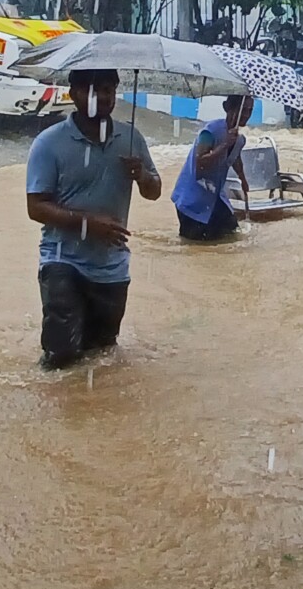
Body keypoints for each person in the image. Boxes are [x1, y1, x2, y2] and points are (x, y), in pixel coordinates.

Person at [25, 69, 162, 370]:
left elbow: (154, 192)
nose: (101, 98)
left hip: (111, 268)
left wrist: (141, 175)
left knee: (102, 357)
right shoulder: (49, 143)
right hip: (62, 262)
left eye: (108, 90)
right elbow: (35, 207)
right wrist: (88, 224)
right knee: (61, 358)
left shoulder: (131, 138)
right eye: (92, 90)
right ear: (73, 94)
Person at [171, 95, 254, 241]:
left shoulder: (239, 140)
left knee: (231, 234)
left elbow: (235, 158)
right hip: (193, 199)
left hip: (215, 196)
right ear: (227, 108)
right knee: (195, 244)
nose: (246, 115)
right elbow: (200, 162)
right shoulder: (209, 132)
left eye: (250, 111)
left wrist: (243, 179)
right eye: (242, 110)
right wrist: (224, 145)